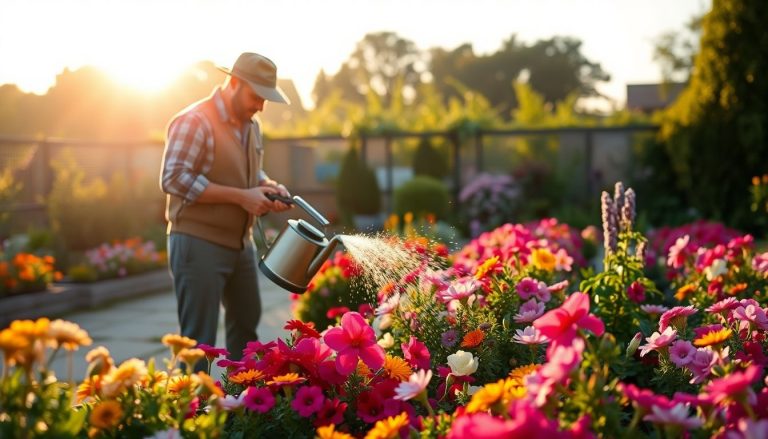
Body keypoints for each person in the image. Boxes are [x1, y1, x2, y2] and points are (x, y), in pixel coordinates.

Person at [159, 52, 292, 368]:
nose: (261, 105)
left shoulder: (252, 126)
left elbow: (249, 173)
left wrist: (269, 185)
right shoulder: (194, 122)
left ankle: (239, 410)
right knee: (198, 343)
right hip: (197, 242)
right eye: (256, 96)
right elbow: (173, 178)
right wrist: (242, 197)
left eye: (266, 99)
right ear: (234, 83)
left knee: (246, 329)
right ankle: (191, 414)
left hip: (240, 245)